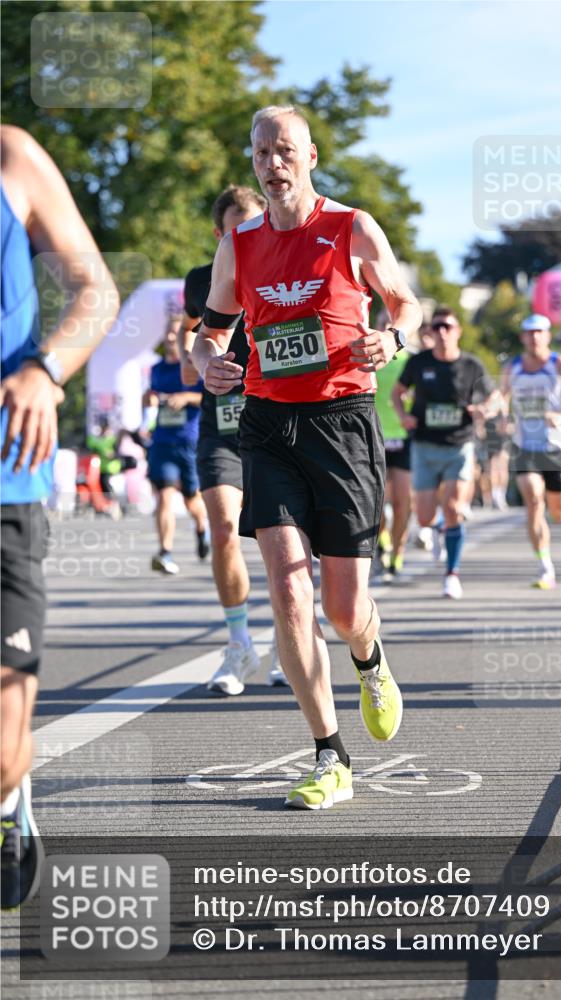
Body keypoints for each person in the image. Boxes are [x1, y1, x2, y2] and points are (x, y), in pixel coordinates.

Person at [192, 104, 421, 810]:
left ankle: (368, 655)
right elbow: (211, 330)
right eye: (261, 151)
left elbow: (405, 302)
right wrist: (208, 362)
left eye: (285, 149)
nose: (272, 162)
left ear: (311, 155)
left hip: (343, 422)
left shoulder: (349, 226)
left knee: (344, 605)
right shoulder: (239, 241)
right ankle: (329, 753)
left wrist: (394, 338)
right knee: (289, 592)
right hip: (267, 425)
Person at [0, 125, 119, 908]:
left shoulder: (12, 158)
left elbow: (96, 291)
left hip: (5, 481)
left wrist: (46, 370)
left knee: (3, 750)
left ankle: (11, 795)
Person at [177, 186, 287, 692]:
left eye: (252, 222)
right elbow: (191, 334)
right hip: (221, 425)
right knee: (223, 529)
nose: (244, 233)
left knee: (281, 544)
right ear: (220, 234)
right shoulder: (202, 279)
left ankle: (291, 641)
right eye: (234, 227)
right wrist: (196, 359)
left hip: (275, 420)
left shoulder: (289, 262)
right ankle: (240, 646)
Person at [392, 307, 497, 600]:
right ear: (429, 332)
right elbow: (396, 393)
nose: (441, 332)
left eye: (447, 327)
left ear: (458, 331)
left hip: (458, 445)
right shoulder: (418, 362)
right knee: (424, 518)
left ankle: (452, 574)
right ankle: (440, 529)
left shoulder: (471, 365)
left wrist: (484, 410)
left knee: (452, 507)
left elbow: (494, 397)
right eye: (436, 327)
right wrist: (403, 416)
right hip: (425, 444)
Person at [500, 313, 561, 588]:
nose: (534, 337)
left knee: (560, 512)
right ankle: (545, 566)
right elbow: (501, 397)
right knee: (533, 500)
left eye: (539, 332)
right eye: (529, 333)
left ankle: (553, 520)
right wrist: (500, 415)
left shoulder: (560, 364)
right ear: (523, 338)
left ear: (548, 335)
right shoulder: (513, 367)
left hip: (555, 446)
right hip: (524, 446)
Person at [145, 316, 209, 575]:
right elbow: (150, 396)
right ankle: (165, 552)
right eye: (168, 334)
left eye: (175, 334)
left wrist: (186, 397)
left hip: (189, 442)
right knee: (164, 497)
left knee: (192, 499)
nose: (171, 339)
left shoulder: (195, 367)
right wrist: (147, 398)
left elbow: (209, 397)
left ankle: (202, 528)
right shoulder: (157, 369)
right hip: (162, 442)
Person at [372, 311, 412, 583]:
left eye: (392, 323)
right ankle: (382, 540)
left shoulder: (410, 362)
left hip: (403, 438)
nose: (386, 327)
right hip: (374, 436)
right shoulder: (368, 359)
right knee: (377, 501)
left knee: (402, 503)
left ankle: (398, 554)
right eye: (381, 323)